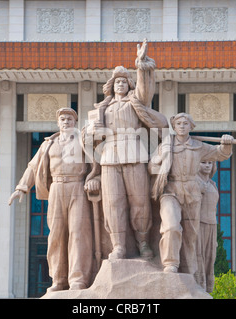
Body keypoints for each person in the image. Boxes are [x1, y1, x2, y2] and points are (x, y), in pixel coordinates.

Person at [89, 40, 168, 260]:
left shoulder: (136, 102)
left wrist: (141, 64)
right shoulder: (101, 109)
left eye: (124, 82)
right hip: (109, 157)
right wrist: (93, 131)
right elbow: (90, 139)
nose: (121, 85)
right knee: (113, 203)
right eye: (117, 82)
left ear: (129, 85)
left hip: (134, 153)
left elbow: (145, 90)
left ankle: (143, 242)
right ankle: (118, 246)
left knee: (139, 200)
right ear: (111, 86)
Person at [8, 108, 99, 292]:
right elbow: (33, 167)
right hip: (56, 188)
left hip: (77, 187)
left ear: (75, 122)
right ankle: (59, 279)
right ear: (58, 123)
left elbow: (97, 165)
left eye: (70, 119)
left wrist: (94, 179)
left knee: (78, 233)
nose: (66, 122)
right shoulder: (48, 144)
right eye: (63, 119)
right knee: (56, 235)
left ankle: (77, 279)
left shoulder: (83, 141)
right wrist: (22, 188)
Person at [148, 113, 233, 276]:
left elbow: (219, 154)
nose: (181, 126)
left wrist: (226, 144)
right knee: (171, 226)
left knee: (191, 234)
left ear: (191, 127)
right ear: (174, 127)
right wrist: (163, 166)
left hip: (192, 193)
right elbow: (151, 166)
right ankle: (170, 263)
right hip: (170, 190)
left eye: (185, 123)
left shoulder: (198, 146)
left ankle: (188, 270)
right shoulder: (166, 146)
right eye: (178, 123)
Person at [195, 161, 219, 293]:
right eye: (203, 162)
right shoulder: (195, 181)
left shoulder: (212, 184)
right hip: (199, 223)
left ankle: (207, 289)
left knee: (211, 257)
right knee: (199, 256)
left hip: (212, 224)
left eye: (210, 163)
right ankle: (199, 285)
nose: (207, 165)